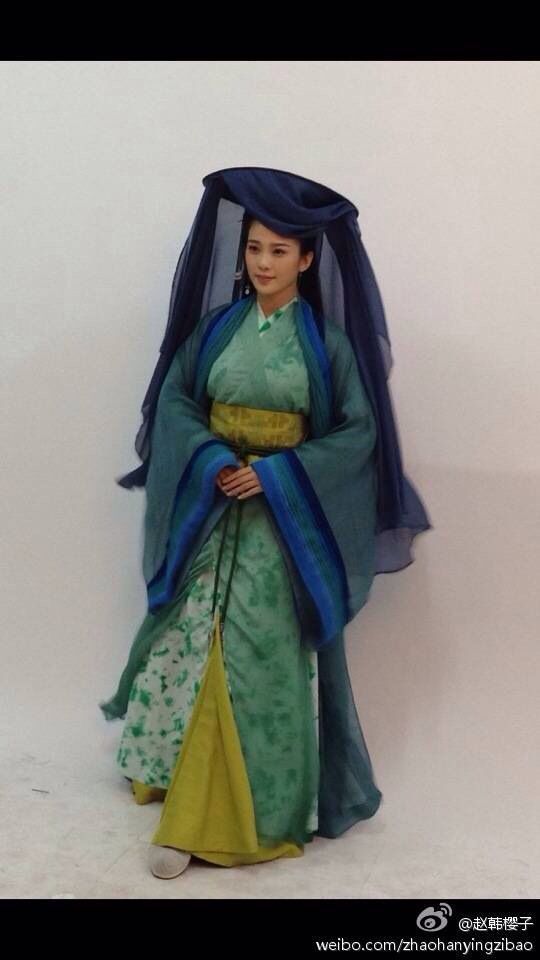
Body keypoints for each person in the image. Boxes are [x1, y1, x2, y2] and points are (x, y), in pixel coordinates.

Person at [100, 167, 432, 879]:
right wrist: (212, 456)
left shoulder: (327, 345)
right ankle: (169, 767)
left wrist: (278, 475)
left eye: (280, 250)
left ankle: (227, 814)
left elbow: (357, 434)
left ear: (307, 259)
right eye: (254, 247)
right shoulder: (216, 330)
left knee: (253, 651)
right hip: (213, 508)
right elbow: (177, 402)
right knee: (189, 635)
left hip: (279, 523)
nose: (262, 262)